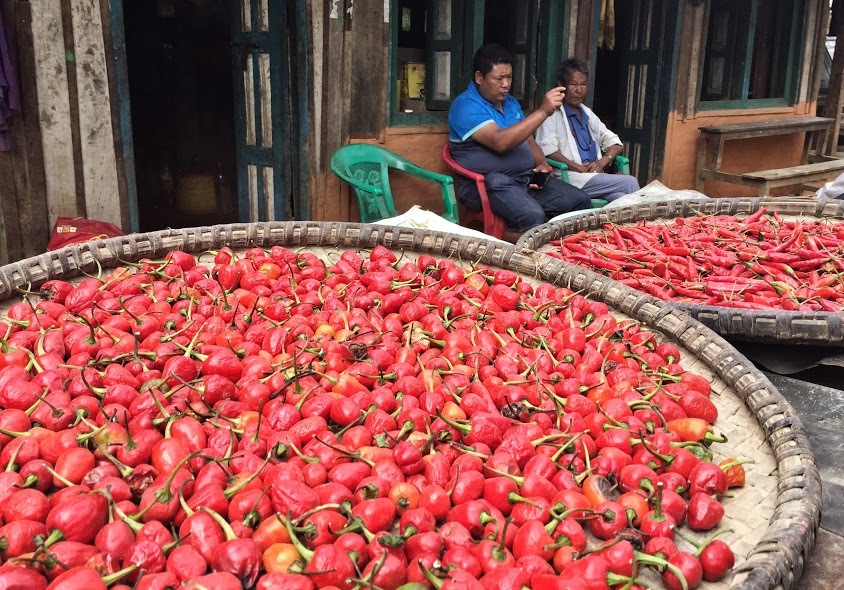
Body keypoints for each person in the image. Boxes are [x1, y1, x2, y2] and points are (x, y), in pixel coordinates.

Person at [448, 44, 592, 242]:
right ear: (479, 77)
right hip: (485, 184)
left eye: (509, 77)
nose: (506, 84)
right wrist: (543, 111)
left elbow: (528, 139)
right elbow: (500, 142)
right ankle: (498, 242)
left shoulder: (510, 103)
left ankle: (552, 244)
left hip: (524, 180)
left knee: (580, 203)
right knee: (532, 216)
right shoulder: (465, 106)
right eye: (499, 78)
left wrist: (541, 163)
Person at [535, 58, 640, 202]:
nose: (579, 90)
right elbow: (548, 150)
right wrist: (577, 167)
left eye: (583, 84)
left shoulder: (587, 114)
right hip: (570, 177)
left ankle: (637, 218)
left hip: (594, 177)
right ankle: (646, 217)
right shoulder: (551, 113)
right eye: (573, 84)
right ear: (561, 85)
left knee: (621, 198)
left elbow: (615, 143)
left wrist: (601, 163)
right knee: (630, 182)